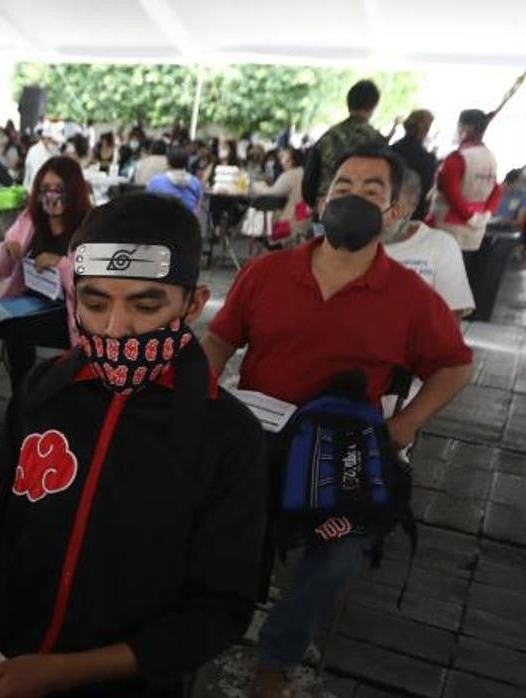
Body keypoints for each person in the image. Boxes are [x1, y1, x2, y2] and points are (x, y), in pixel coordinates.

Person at [0, 193, 266, 698]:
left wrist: (60, 672)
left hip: (118, 682)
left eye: (146, 304)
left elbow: (218, 610)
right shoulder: (45, 389)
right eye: (94, 302)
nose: (115, 329)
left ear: (192, 304)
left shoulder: (227, 436)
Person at [200, 145, 473, 698]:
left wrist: (406, 424)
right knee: (196, 514)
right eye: (342, 187)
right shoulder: (268, 272)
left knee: (341, 549)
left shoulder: (410, 298)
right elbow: (220, 336)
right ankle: (205, 621)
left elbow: (455, 366)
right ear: (323, 200)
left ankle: (276, 657)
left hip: (341, 452)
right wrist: (203, 393)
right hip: (257, 437)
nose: (352, 197)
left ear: (395, 211)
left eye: (372, 191)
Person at [0, 156, 90, 436]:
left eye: (58, 188)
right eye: (44, 188)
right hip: (27, 301)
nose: (51, 195)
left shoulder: (89, 228)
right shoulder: (30, 220)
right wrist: (7, 251)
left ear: (74, 190)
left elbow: (94, 287)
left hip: (69, 314)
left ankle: (23, 403)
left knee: (17, 332)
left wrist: (61, 264)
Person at [385, 169, 474, 318]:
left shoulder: (440, 245)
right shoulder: (348, 242)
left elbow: (451, 317)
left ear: (413, 205)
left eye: (395, 201)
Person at [302, 79, 387, 209]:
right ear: (374, 106)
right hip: (365, 212)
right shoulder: (378, 142)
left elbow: (309, 183)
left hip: (327, 209)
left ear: (348, 103)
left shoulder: (328, 137)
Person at [430, 108, 502, 252]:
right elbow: (497, 190)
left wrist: (470, 217)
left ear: (465, 128)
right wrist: (485, 215)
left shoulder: (458, 157)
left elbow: (451, 193)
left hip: (447, 227)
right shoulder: (491, 158)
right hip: (474, 232)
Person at [389, 109, 438, 221]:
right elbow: (426, 189)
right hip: (411, 215)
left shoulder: (390, 151)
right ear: (426, 130)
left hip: (387, 209)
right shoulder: (428, 159)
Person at [250, 145, 305, 241]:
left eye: (283, 157)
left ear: (291, 160)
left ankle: (257, 234)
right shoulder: (302, 171)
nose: (280, 161)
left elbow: (273, 192)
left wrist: (259, 186)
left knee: (258, 207)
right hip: (302, 215)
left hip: (290, 221)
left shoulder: (290, 175)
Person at [146, 148, 203, 213]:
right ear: (186, 163)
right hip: (187, 221)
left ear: (168, 163)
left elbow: (150, 204)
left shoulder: (155, 181)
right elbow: (197, 208)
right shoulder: (195, 182)